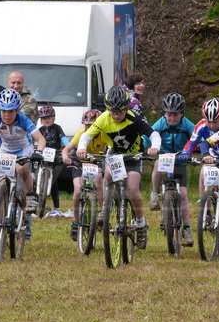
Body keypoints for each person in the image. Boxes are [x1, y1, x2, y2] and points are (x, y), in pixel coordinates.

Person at [76, 85, 160, 249]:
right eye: (112, 112)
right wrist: (81, 148)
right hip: (115, 154)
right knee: (106, 176)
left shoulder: (134, 118)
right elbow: (86, 135)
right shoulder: (103, 118)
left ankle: (141, 224)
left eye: (119, 112)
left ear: (126, 108)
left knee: (133, 189)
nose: (116, 115)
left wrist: (155, 147)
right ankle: (105, 208)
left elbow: (153, 134)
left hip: (133, 155)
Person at [0, 89, 46, 250]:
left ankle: (30, 195)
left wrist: (39, 152)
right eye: (4, 111)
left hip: (23, 149)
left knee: (21, 169)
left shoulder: (23, 118)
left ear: (17, 110)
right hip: (5, 150)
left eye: (11, 111)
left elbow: (40, 139)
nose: (7, 115)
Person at [150, 93, 196, 246]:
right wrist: (149, 147)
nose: (172, 118)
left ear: (182, 114)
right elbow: (149, 135)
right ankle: (155, 193)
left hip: (180, 162)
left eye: (175, 115)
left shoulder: (187, 125)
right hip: (163, 157)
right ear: (164, 113)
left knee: (183, 195)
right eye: (169, 114)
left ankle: (187, 228)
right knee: (157, 166)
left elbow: (197, 137)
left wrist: (190, 151)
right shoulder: (161, 123)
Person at [62, 109, 107, 241]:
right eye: (86, 125)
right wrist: (65, 157)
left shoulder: (104, 134)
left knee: (99, 180)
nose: (89, 128)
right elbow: (66, 149)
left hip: (96, 164)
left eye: (92, 125)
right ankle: (76, 221)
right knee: (78, 190)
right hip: (80, 165)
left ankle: (102, 212)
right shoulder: (81, 133)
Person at [181, 98, 219, 196]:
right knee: (203, 176)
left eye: (215, 122)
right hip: (212, 157)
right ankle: (204, 204)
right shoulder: (201, 125)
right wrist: (186, 152)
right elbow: (192, 142)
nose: (211, 125)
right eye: (208, 122)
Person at [37, 106, 70, 218]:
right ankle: (37, 204)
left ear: (54, 118)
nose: (46, 120)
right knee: (35, 179)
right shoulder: (40, 130)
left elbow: (64, 139)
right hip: (43, 158)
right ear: (41, 120)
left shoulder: (57, 128)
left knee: (53, 183)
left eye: (49, 117)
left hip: (55, 158)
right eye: (44, 118)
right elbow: (33, 140)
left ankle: (57, 208)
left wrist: (69, 147)